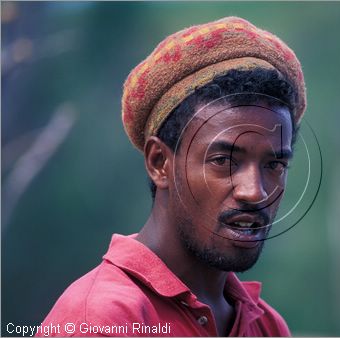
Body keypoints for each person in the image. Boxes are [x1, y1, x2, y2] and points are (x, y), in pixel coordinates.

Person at [38, 16, 306, 337]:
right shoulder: (100, 320)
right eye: (223, 161)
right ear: (159, 162)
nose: (255, 192)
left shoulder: (266, 326)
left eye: (274, 165)